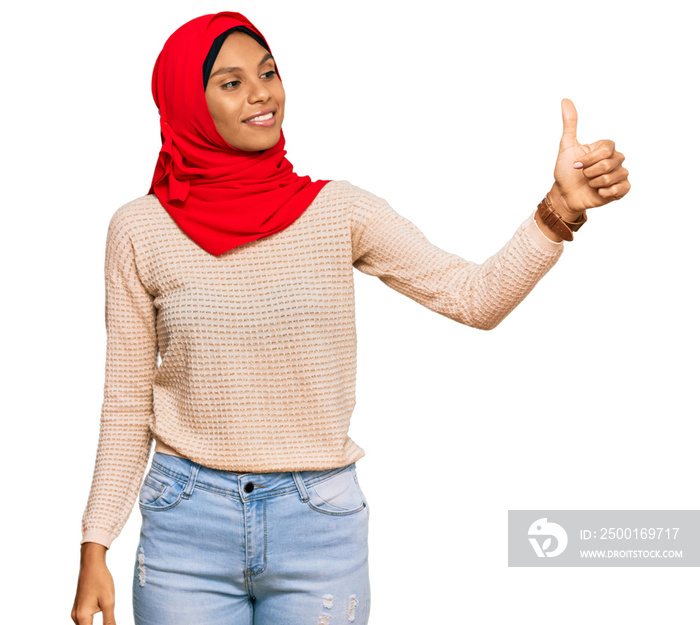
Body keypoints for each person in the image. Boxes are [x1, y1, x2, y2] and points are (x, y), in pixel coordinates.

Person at [71, 11, 630, 625]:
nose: (261, 93)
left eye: (269, 72)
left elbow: (475, 298)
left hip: (317, 526)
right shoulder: (139, 229)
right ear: (187, 102)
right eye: (230, 82)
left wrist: (559, 211)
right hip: (185, 528)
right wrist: (96, 543)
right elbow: (126, 404)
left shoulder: (337, 212)